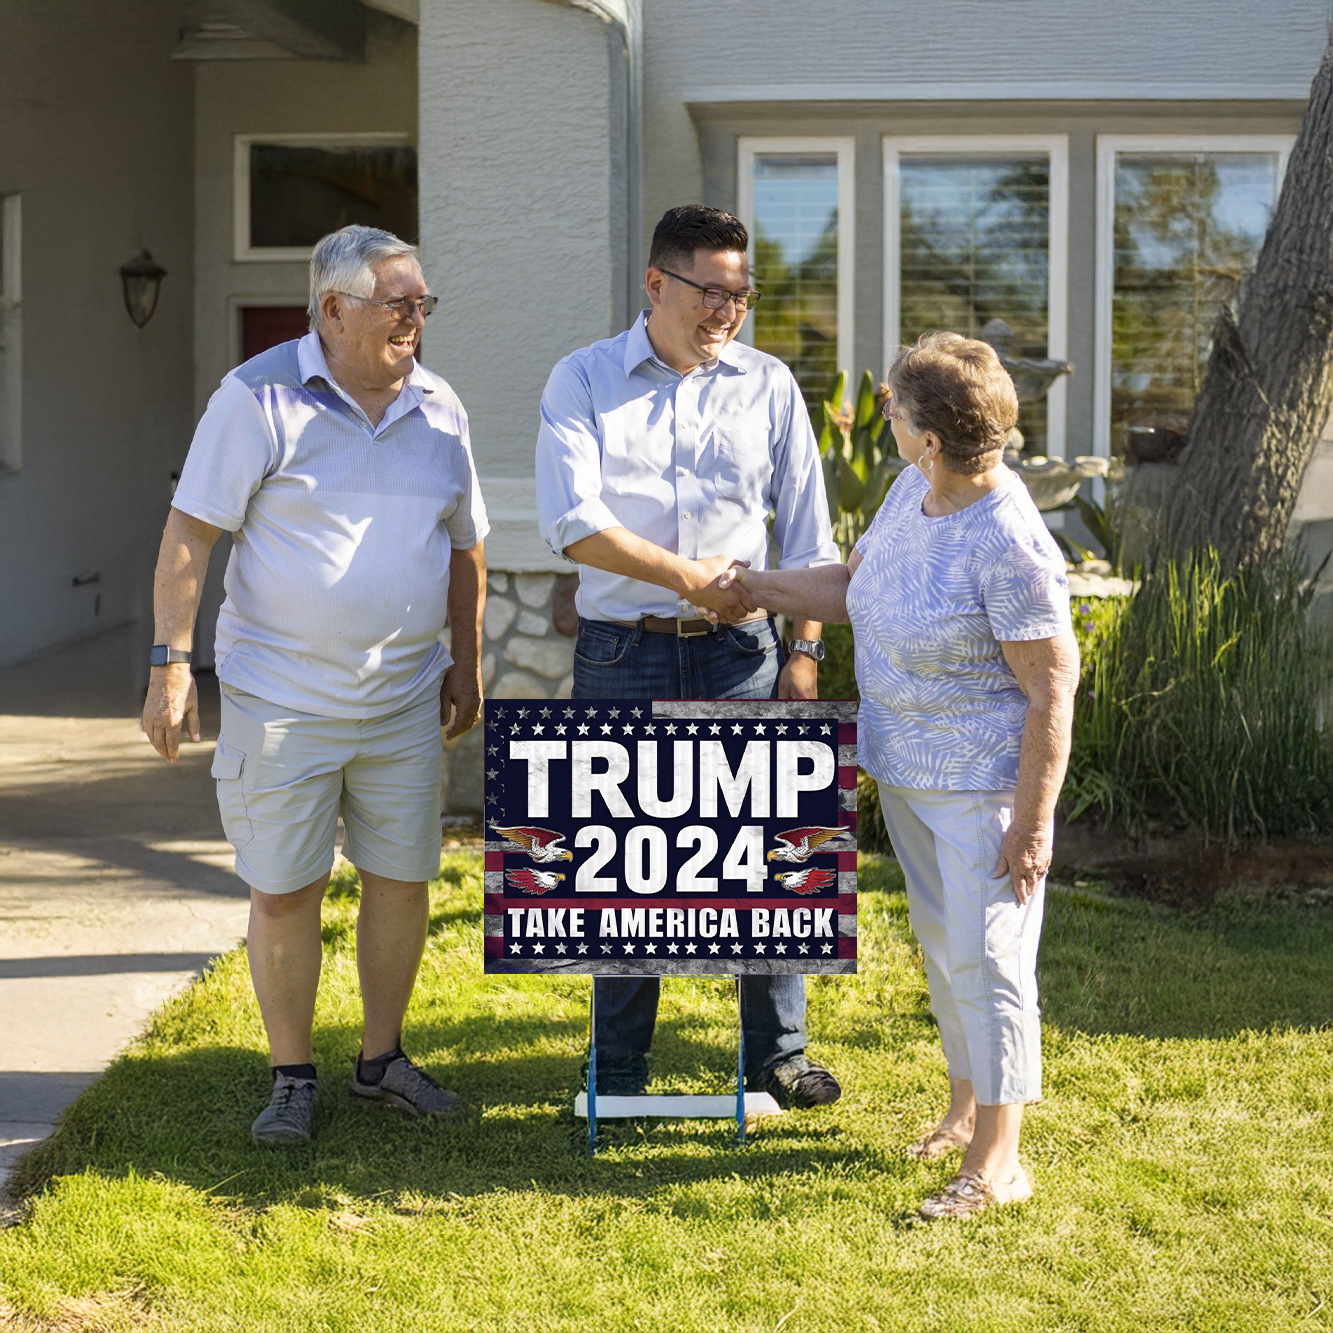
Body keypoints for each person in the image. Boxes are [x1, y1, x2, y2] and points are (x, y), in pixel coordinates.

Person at [713, 332, 1079, 1217]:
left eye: (895, 402)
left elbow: (1052, 688)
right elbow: (853, 587)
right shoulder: (913, 490)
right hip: (907, 773)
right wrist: (753, 586)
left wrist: (1031, 826)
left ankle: (998, 1162)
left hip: (983, 792)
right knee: (945, 951)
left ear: (928, 435)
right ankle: (964, 1109)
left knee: (991, 962)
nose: (883, 407)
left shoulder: (1008, 541)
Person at [142, 225, 488, 1143]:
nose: (416, 320)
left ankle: (381, 1059)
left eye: (423, 304)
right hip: (280, 702)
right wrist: (170, 663)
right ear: (334, 311)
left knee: (402, 878)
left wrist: (468, 660)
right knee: (286, 891)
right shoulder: (254, 399)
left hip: (404, 698)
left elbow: (466, 543)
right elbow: (189, 535)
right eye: (398, 304)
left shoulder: (441, 407)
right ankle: (291, 1074)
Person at [533, 204, 843, 1108]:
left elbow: (807, 532)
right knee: (622, 860)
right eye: (711, 292)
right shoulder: (582, 379)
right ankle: (618, 1065)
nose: (727, 312)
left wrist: (805, 650)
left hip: (741, 652)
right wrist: (685, 577)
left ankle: (777, 1054)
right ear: (656, 284)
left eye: (740, 295)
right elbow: (574, 522)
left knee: (764, 850)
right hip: (621, 650)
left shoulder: (769, 385)